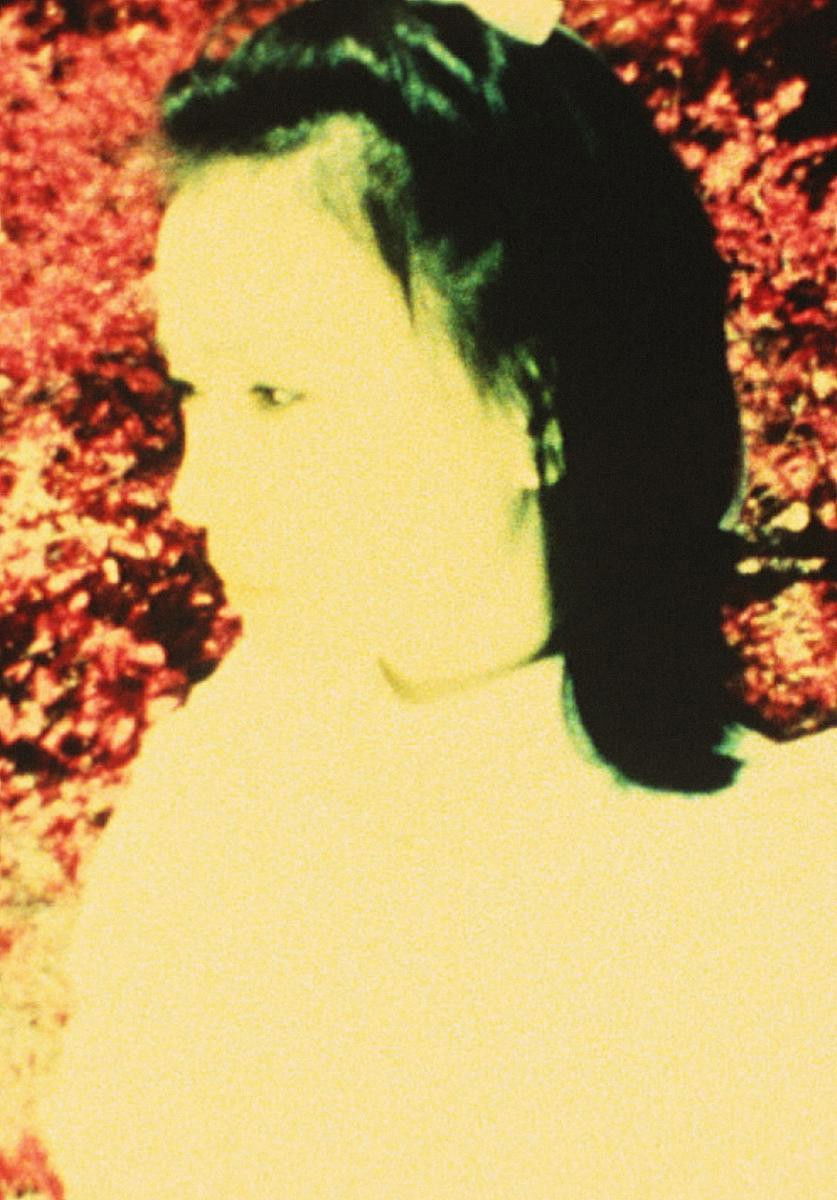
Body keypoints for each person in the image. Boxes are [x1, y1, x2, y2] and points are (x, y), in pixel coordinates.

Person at [39, 2, 834, 1197]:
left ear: (535, 405)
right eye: (192, 388)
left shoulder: (761, 914)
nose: (196, 489)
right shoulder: (219, 800)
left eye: (276, 394)